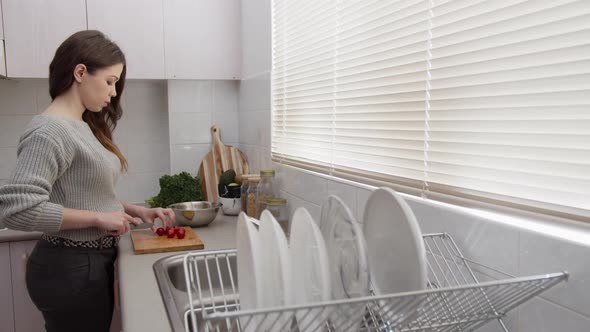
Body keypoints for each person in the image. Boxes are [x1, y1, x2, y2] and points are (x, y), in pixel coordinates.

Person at [0, 30, 175, 332]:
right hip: (71, 267)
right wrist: (98, 218)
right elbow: (18, 208)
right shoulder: (50, 131)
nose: (112, 92)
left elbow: (84, 190)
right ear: (80, 72)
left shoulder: (80, 126)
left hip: (87, 263)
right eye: (109, 81)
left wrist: (135, 210)